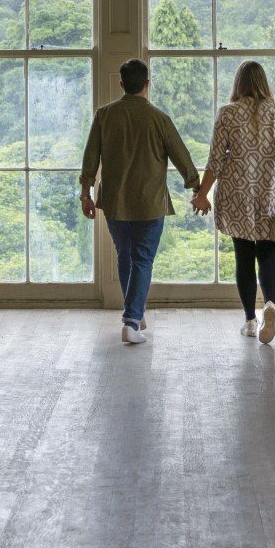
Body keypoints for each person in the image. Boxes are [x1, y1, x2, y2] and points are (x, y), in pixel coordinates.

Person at [80, 58, 201, 345]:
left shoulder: (104, 115)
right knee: (142, 259)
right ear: (148, 84)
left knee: (126, 257)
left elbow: (90, 158)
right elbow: (182, 157)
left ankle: (134, 311)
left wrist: (86, 194)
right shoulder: (159, 118)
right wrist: (197, 188)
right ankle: (131, 320)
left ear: (122, 84)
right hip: (150, 202)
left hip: (115, 201)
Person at [192, 61, 275, 344]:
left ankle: (250, 321)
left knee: (243, 257)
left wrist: (202, 193)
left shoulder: (227, 114)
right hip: (272, 193)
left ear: (238, 83)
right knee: (269, 253)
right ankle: (271, 305)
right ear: (264, 82)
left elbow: (215, 160)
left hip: (236, 193)